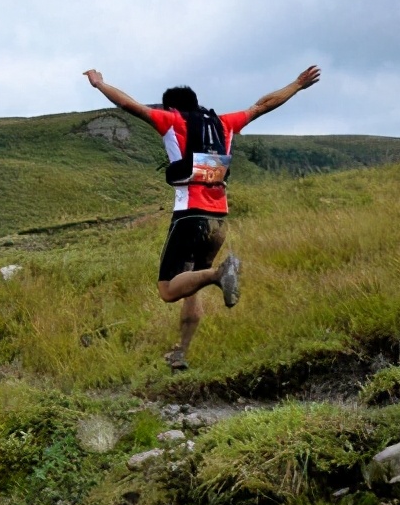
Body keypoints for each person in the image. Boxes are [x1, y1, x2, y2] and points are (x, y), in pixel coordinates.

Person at [82, 65, 321, 370]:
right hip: (218, 220)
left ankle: (219, 275)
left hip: (189, 216)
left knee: (168, 289)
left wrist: (100, 84)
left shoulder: (171, 121)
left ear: (171, 106)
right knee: (189, 286)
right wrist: (297, 85)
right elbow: (263, 105)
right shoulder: (224, 124)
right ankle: (180, 352)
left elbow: (129, 105)